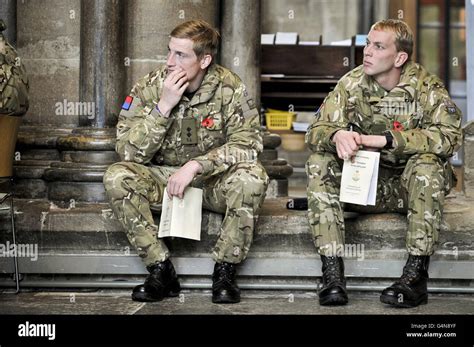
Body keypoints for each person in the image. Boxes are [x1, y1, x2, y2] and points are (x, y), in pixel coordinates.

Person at [103, 20, 269, 304]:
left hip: (211, 182)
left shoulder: (229, 87)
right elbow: (128, 152)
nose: (169, 62)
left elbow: (249, 144)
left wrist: (197, 166)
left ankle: (225, 271)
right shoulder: (150, 87)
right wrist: (163, 107)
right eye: (169, 52)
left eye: (180, 55)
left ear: (204, 60)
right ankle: (160, 269)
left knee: (252, 177)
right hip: (164, 180)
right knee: (116, 176)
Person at [305, 19, 462, 307]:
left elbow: (449, 137)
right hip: (366, 187)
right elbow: (314, 131)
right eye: (367, 44)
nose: (367, 52)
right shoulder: (351, 84)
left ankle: (415, 277)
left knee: (427, 165)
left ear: (399, 57)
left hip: (409, 189)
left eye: (378, 46)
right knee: (319, 161)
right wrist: (337, 134)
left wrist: (389, 140)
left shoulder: (426, 87)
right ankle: (332, 275)